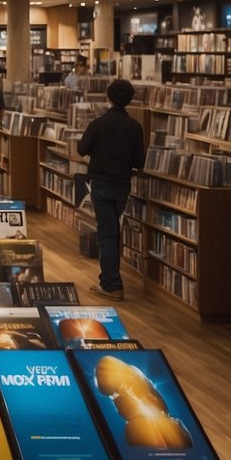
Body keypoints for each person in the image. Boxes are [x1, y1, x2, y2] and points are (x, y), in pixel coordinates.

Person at [78, 79, 146, 301]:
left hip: (101, 183)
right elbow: (139, 161)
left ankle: (111, 284)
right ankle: (111, 280)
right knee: (113, 231)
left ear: (108, 97)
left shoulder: (98, 123)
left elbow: (82, 149)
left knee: (107, 234)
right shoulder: (135, 127)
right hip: (122, 185)